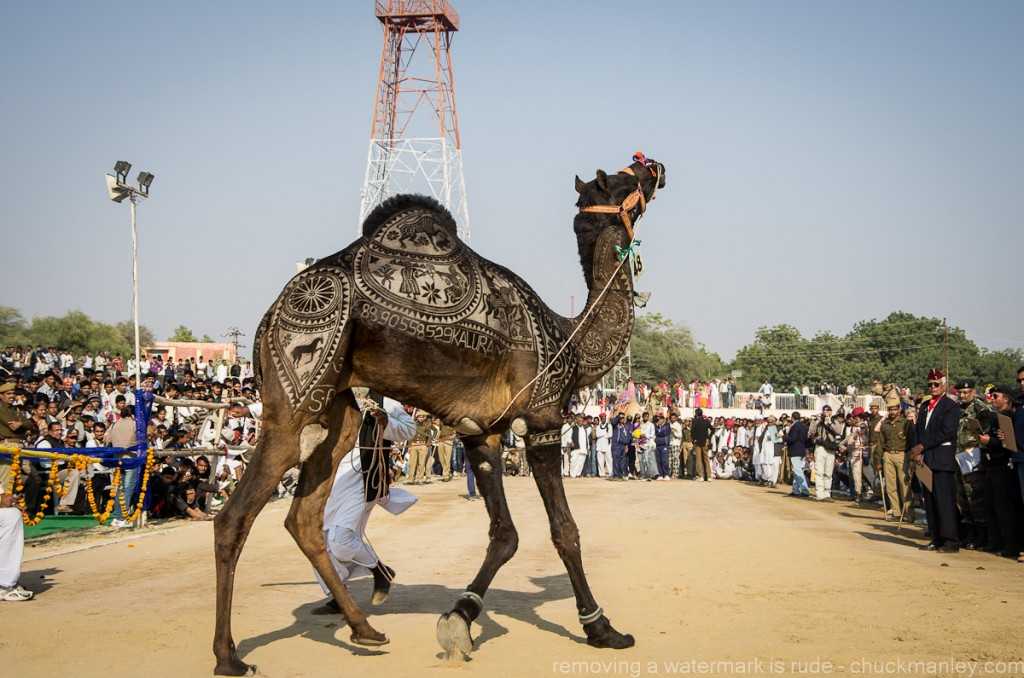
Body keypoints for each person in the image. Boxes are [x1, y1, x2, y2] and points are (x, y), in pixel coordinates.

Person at [315, 393, 418, 612]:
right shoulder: (333, 396)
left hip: (362, 479)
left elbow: (410, 430)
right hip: (328, 479)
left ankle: (380, 571)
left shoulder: (384, 400)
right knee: (318, 540)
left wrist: (386, 422)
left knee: (341, 539)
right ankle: (338, 596)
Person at [910, 370, 961, 553]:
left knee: (944, 501)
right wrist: (916, 449)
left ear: (944, 385)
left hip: (941, 459)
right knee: (929, 501)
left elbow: (947, 431)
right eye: (930, 384)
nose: (932, 387)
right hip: (925, 460)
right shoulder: (925, 406)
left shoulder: (951, 406)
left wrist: (922, 446)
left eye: (936, 384)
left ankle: (951, 540)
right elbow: (918, 429)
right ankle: (936, 537)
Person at [978, 385, 1023, 560]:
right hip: (993, 465)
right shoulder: (995, 416)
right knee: (992, 506)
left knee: (1006, 508)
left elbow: (1009, 444)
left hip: (1006, 466)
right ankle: (997, 541)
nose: (993, 399)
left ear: (1007, 398)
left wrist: (992, 441)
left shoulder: (1013, 417)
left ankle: (1010, 545)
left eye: (996, 396)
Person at [878, 401, 912, 520]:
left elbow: (911, 440)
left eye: (894, 409)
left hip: (902, 455)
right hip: (888, 455)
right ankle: (896, 511)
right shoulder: (885, 424)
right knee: (890, 486)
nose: (892, 412)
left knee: (904, 485)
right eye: (890, 409)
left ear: (899, 410)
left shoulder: (906, 423)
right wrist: (878, 461)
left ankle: (907, 512)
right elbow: (880, 443)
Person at [809, 405, 845, 501]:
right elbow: (811, 432)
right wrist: (816, 421)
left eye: (828, 410)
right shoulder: (817, 420)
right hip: (820, 447)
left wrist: (829, 423)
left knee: (828, 472)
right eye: (825, 410)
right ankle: (820, 494)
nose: (827, 412)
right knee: (819, 471)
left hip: (831, 448)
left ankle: (827, 493)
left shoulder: (834, 421)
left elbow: (838, 431)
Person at [785, 412, 809, 497]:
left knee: (798, 470)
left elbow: (792, 439)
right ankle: (796, 490)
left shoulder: (795, 426)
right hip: (802, 450)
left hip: (795, 450)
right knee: (797, 470)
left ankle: (804, 490)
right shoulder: (804, 426)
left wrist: (784, 436)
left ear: (792, 418)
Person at [690, 408, 712, 482]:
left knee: (699, 459)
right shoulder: (706, 421)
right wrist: (708, 437)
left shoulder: (695, 421)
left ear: (696, 413)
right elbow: (712, 429)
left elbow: (692, 431)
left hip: (697, 442)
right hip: (705, 441)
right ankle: (709, 476)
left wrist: (693, 440)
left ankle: (701, 476)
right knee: (706, 459)